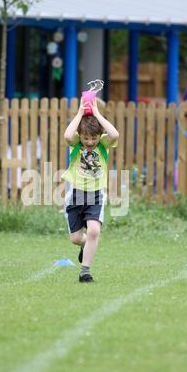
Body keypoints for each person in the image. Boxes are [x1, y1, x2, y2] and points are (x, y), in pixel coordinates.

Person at [62, 98, 119, 283]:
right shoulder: (77, 143)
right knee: (76, 238)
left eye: (93, 138)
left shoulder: (103, 144)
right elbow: (68, 136)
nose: (89, 141)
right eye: (86, 137)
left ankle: (85, 272)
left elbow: (114, 134)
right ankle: (85, 246)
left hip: (95, 195)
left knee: (94, 231)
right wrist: (80, 113)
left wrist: (96, 113)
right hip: (76, 195)